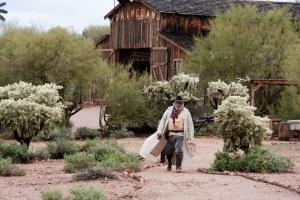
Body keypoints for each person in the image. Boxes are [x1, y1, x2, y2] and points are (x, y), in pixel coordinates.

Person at [139, 95, 194, 172]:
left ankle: (178, 167)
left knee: (179, 149)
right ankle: (169, 164)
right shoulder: (169, 110)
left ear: (182, 103)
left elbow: (190, 125)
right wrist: (159, 132)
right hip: (170, 134)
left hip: (180, 134)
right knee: (168, 150)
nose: (178, 105)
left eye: (180, 103)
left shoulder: (186, 112)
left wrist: (191, 137)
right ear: (175, 103)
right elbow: (163, 121)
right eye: (177, 103)